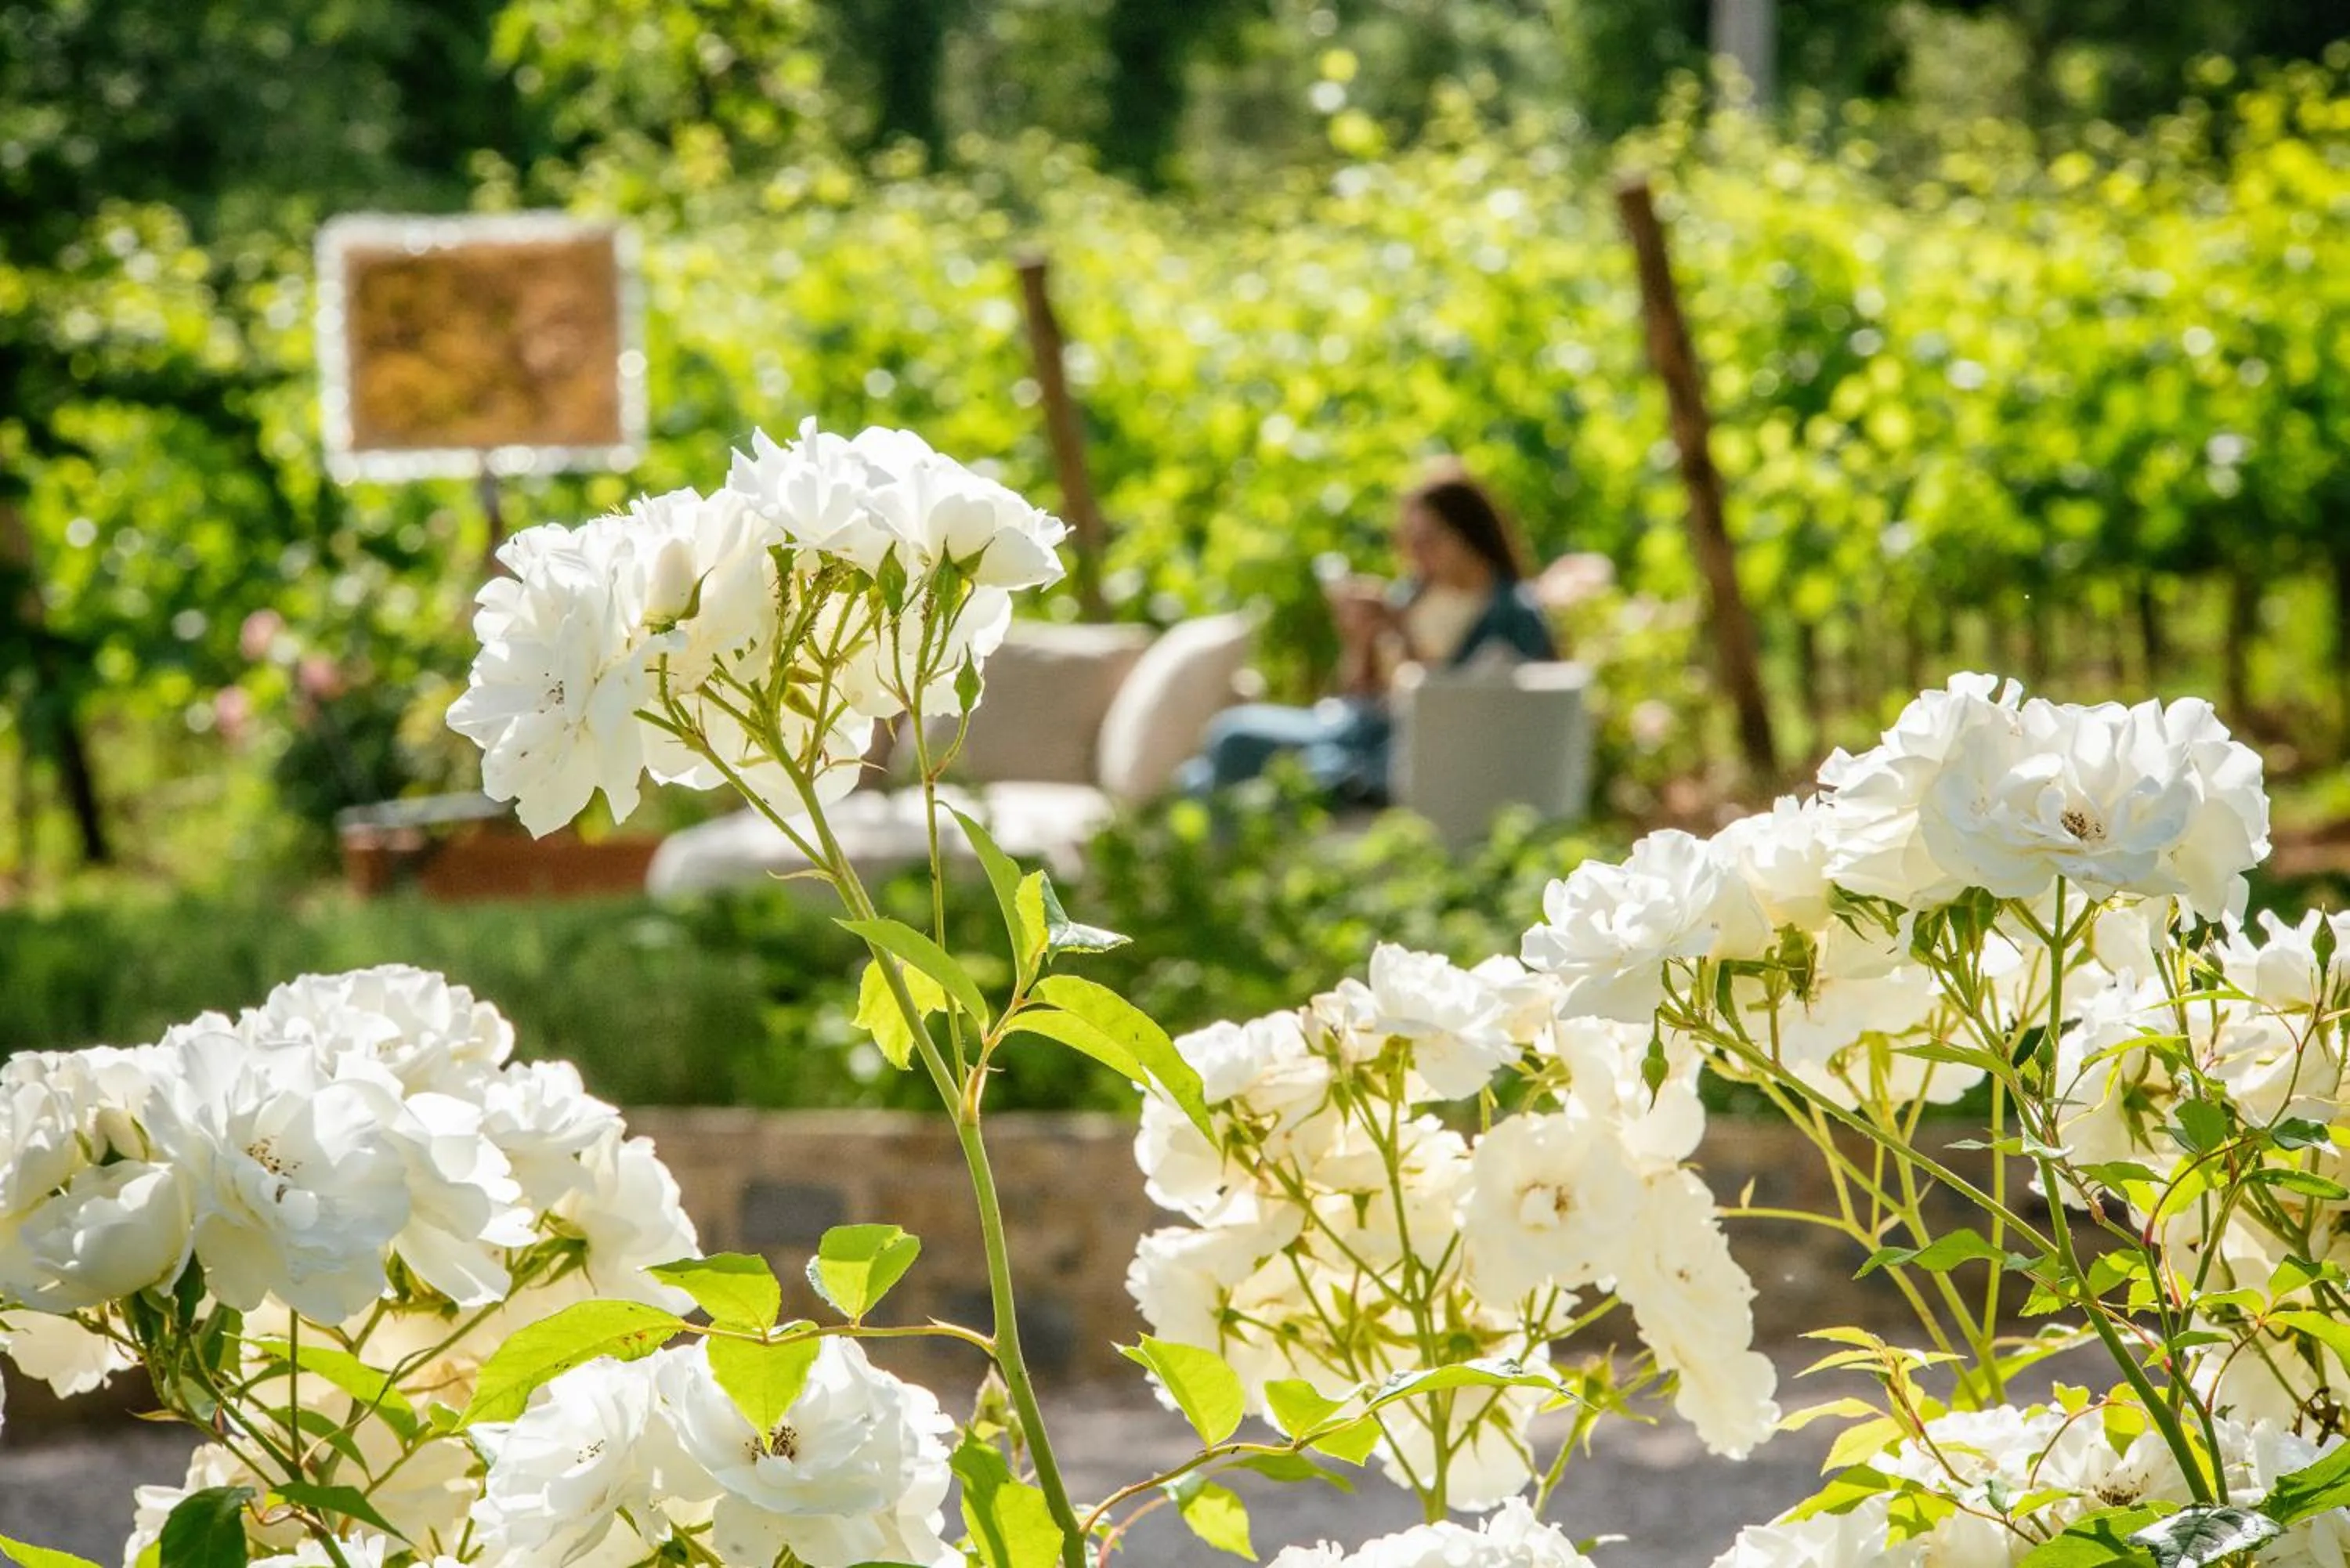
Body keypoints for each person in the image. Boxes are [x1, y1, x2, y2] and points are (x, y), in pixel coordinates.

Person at [1179, 464, 1556, 803]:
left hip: (1400, 749)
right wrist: (1360, 639)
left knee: (1234, 742)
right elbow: (1358, 691)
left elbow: (1462, 708)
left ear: (1467, 533)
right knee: (1199, 773)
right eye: (1410, 540)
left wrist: (1400, 630)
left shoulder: (1510, 611)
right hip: (1356, 726)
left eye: (1429, 539)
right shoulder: (1414, 592)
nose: (1417, 553)